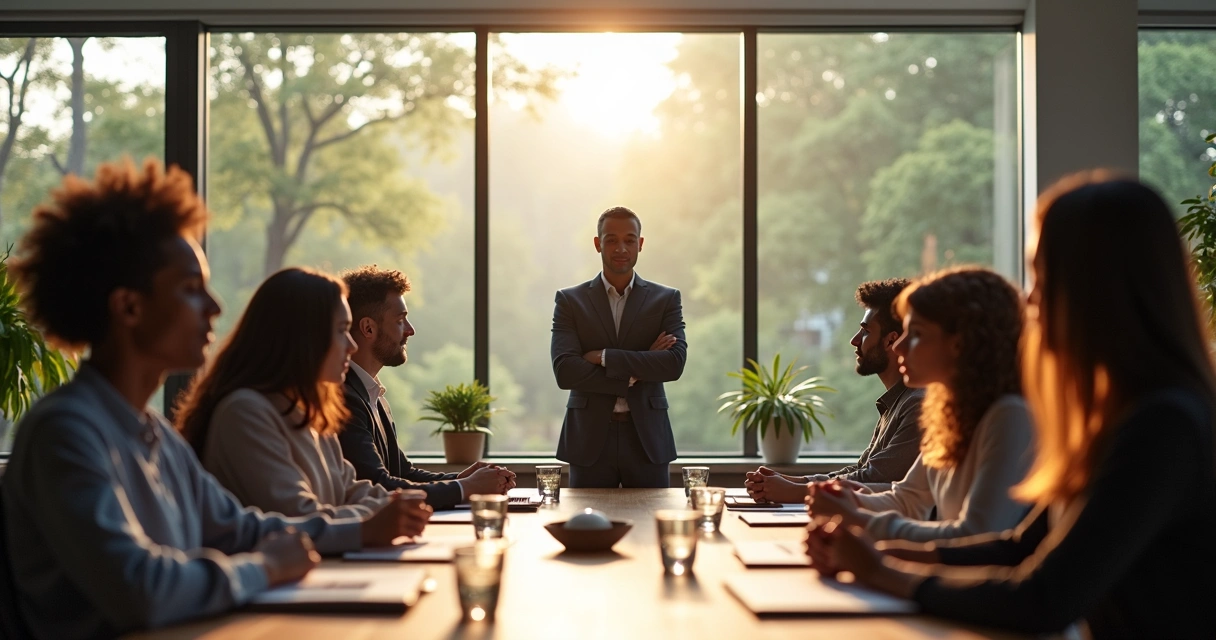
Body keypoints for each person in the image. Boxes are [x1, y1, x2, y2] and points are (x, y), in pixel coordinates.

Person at [1, 159, 408, 640]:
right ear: (129, 306)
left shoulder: (155, 437)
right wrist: (263, 569)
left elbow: (242, 528)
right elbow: (140, 588)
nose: (215, 307)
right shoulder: (64, 433)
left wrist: (358, 532)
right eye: (191, 289)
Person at [805, 173, 1216, 638]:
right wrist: (879, 554)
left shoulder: (1164, 424)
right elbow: (1018, 548)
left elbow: (1045, 598)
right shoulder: (1117, 415)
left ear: (1097, 287)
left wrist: (881, 572)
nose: (1029, 297)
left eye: (1042, 276)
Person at [176, 268, 432, 536]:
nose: (352, 345)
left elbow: (348, 489)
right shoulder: (245, 413)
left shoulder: (312, 411)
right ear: (303, 336)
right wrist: (372, 522)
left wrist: (395, 506)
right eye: (342, 330)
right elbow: (299, 517)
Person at [806, 267, 1034, 543]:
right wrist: (846, 501)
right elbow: (907, 501)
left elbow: (976, 535)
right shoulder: (950, 414)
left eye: (915, 333)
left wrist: (857, 518)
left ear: (959, 343)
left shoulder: (1010, 416)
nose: (899, 346)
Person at [337, 265, 515, 510]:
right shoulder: (344, 398)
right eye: (400, 320)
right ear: (368, 328)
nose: (410, 330)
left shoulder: (373, 394)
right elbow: (379, 485)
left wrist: (463, 479)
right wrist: (467, 487)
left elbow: (403, 473)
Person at [745, 278, 924, 502]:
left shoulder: (917, 404)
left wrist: (795, 491)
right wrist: (794, 482)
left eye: (865, 331)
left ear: (891, 341)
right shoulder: (897, 401)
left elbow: (875, 479)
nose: (854, 340)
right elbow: (862, 471)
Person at [551, 206, 687, 488]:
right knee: (586, 530)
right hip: (588, 440)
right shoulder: (569, 301)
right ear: (598, 244)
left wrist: (603, 357)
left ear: (640, 243)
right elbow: (565, 372)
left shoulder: (666, 299)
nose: (621, 248)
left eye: (629, 239)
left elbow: (673, 364)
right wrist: (639, 367)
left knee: (651, 528)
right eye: (611, 240)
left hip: (647, 439)